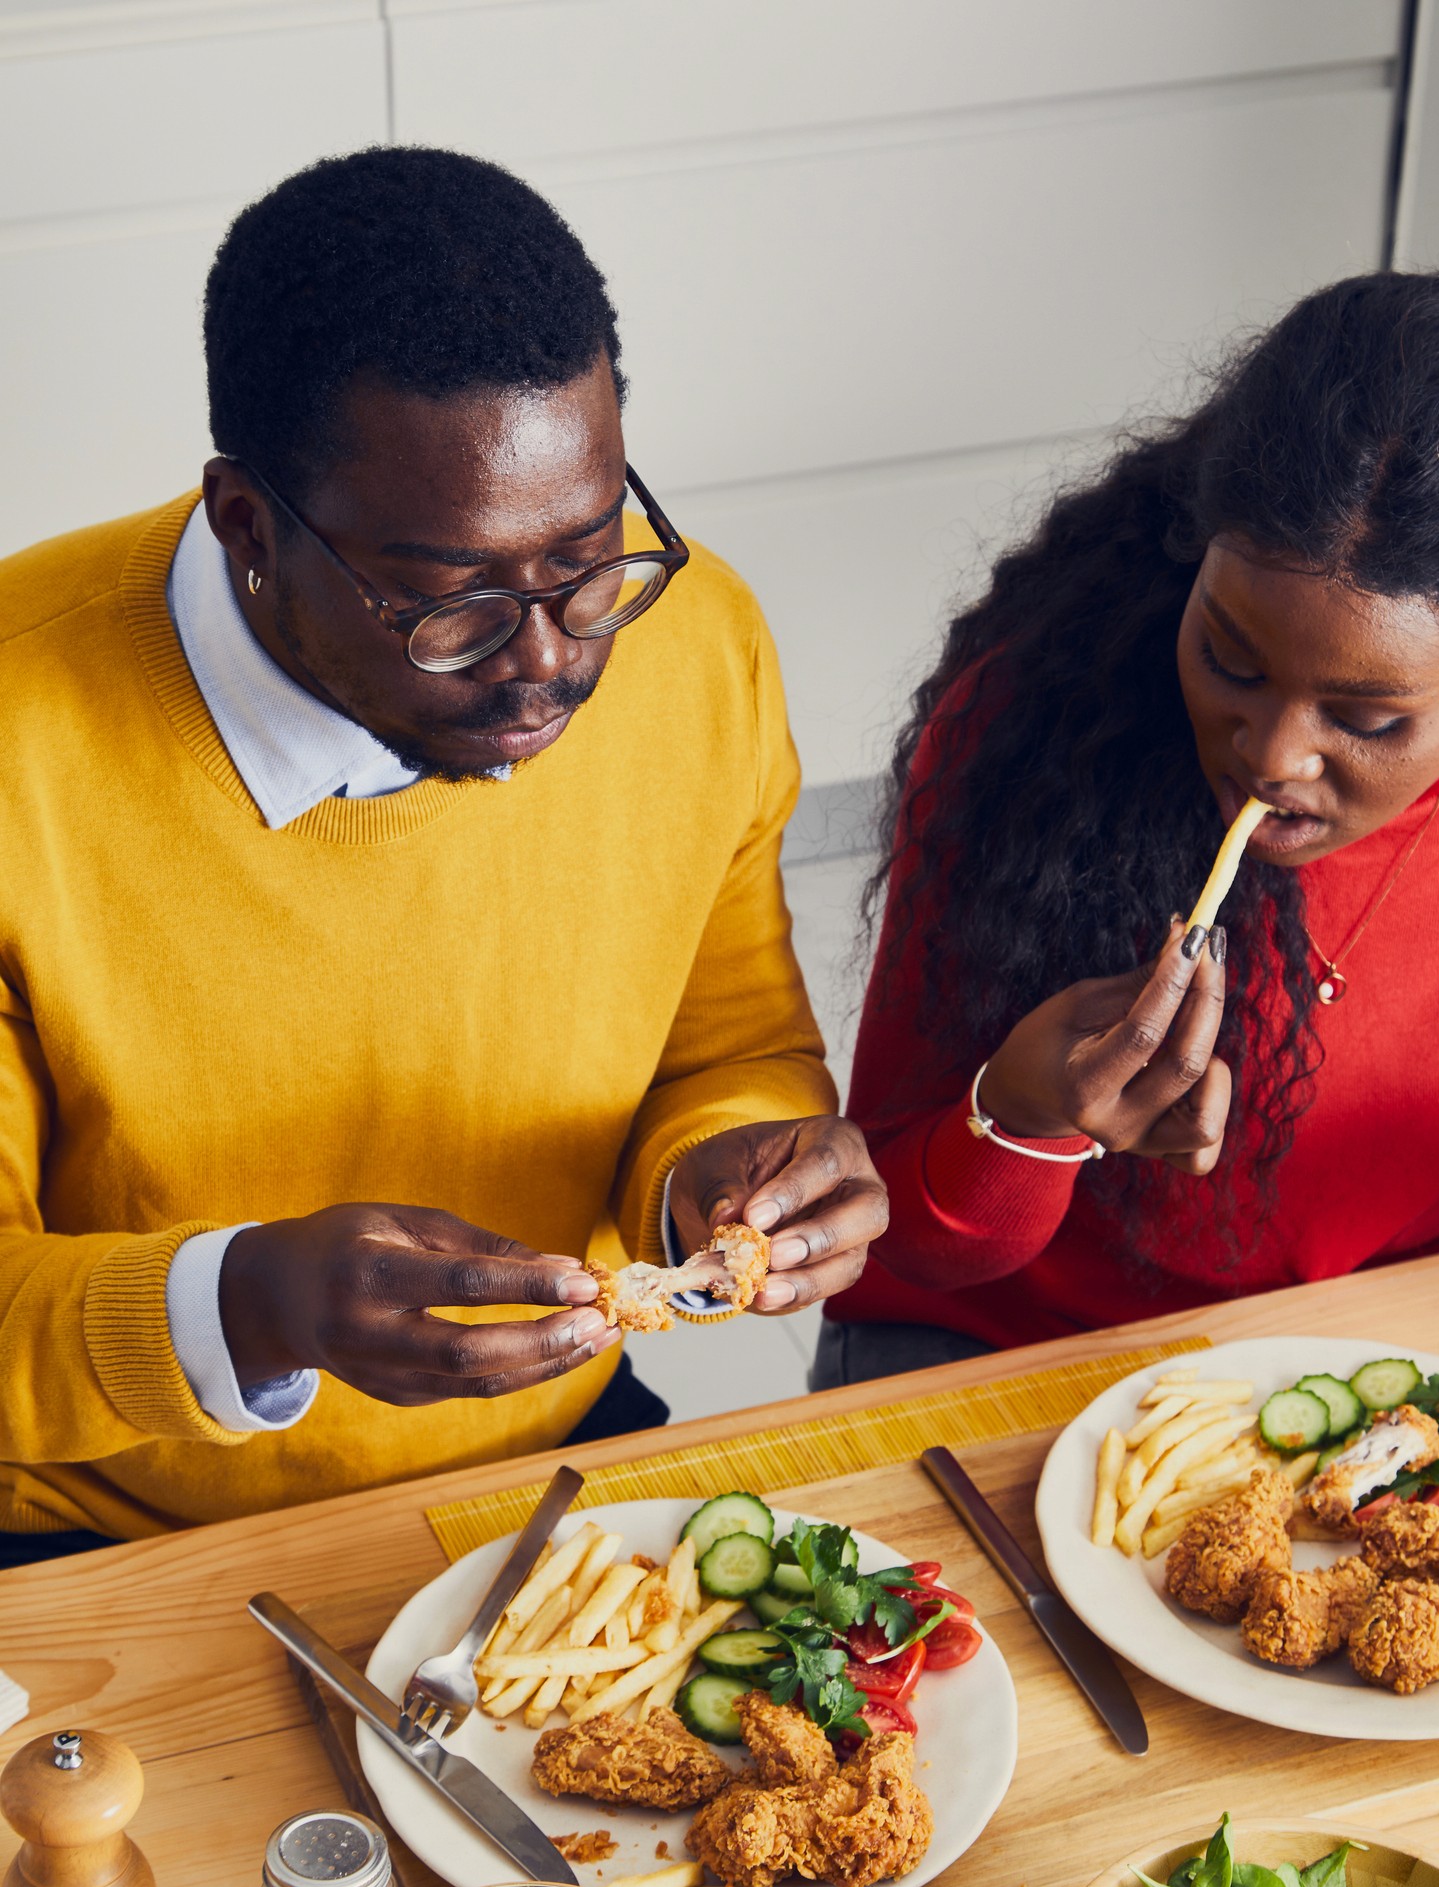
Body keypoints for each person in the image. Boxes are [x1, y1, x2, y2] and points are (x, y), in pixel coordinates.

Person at [0, 146, 887, 1558]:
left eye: (590, 562)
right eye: (447, 603)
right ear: (248, 526)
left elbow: (724, 1049)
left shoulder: (696, 644)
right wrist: (248, 1304)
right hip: (111, 1531)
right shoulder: (18, 734)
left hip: (544, 1468)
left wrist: (725, 1178)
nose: (549, 662)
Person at [815, 269, 1439, 1389]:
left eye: (1368, 718)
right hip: (1015, 1353)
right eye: (1230, 662)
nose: (1273, 755)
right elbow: (893, 1231)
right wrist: (1027, 1117)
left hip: (1403, 1341)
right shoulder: (1032, 722)